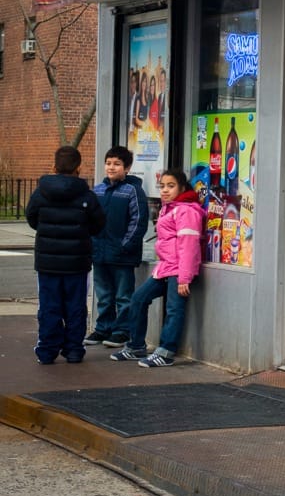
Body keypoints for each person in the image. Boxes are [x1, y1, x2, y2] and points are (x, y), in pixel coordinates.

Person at [111, 168, 205, 367]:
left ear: (182, 188)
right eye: (162, 186)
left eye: (171, 186)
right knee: (138, 299)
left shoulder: (186, 210)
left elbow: (189, 246)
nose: (165, 190)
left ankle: (166, 352)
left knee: (174, 309)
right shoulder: (169, 208)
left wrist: (184, 278)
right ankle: (136, 346)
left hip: (179, 270)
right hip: (165, 267)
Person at [25, 145, 106, 364]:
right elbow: (98, 224)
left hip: (47, 261)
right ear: (78, 167)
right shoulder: (87, 196)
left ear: (54, 166)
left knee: (49, 306)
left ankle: (47, 350)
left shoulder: (41, 193)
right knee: (75, 306)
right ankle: (74, 350)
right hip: (77, 262)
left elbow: (31, 217)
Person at [84, 146, 150, 348]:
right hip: (99, 253)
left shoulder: (133, 191)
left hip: (122, 255)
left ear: (127, 168)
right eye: (108, 163)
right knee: (103, 295)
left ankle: (122, 331)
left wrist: (125, 245)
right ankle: (103, 328)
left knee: (123, 296)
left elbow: (138, 221)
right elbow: (89, 219)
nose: (111, 167)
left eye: (117, 164)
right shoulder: (98, 190)